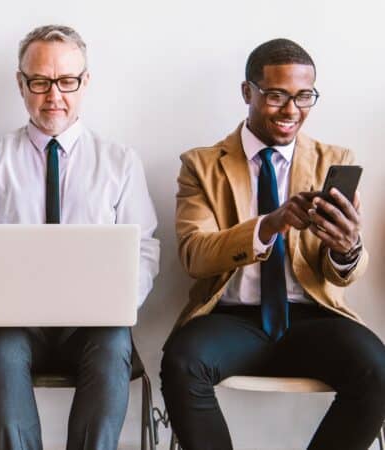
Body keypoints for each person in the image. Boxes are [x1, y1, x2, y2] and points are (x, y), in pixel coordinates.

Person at [160, 38, 385, 450]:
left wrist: (347, 247)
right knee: (181, 362)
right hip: (232, 319)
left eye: (304, 97)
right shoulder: (201, 165)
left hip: (311, 318)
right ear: (248, 92)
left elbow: (345, 272)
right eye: (277, 95)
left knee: (378, 368)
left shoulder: (333, 159)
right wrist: (269, 224)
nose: (291, 110)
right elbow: (195, 254)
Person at [0, 24, 160, 450]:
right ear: (20, 84)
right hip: (14, 323)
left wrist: (114, 298)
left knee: (113, 340)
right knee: (1, 351)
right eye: (40, 82)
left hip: (92, 325)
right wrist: (8, 297)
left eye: (67, 81)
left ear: (85, 83)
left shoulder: (120, 162)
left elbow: (144, 250)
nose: (54, 96)